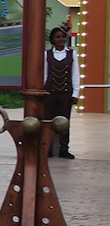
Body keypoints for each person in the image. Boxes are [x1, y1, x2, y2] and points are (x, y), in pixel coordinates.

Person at [43, 23, 81, 159]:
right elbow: (45, 74)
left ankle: (64, 149)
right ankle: (47, 148)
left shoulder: (72, 54)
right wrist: (43, 91)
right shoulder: (46, 54)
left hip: (66, 92)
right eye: (57, 37)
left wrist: (75, 93)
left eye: (62, 37)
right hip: (50, 92)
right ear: (52, 39)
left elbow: (75, 75)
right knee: (48, 120)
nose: (60, 39)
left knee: (65, 121)